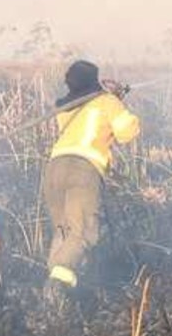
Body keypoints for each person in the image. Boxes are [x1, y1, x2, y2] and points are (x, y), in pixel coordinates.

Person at [41, 59, 140, 301]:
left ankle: (56, 299)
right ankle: (56, 286)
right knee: (83, 232)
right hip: (82, 170)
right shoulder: (106, 101)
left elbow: (87, 113)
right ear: (94, 80)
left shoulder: (65, 108)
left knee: (64, 232)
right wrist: (116, 100)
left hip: (54, 170)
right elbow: (128, 132)